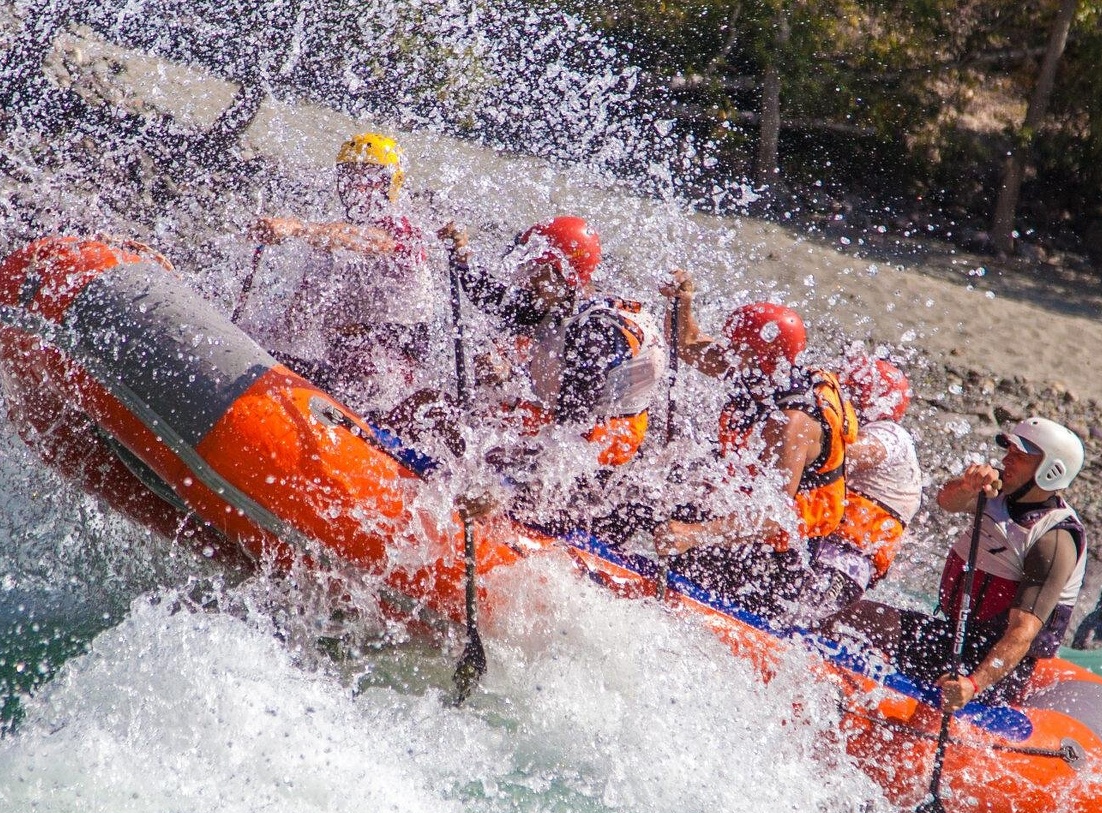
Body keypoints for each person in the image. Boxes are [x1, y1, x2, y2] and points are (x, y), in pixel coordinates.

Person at [652, 270, 857, 624]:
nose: (726, 352)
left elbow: (772, 517)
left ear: (763, 358)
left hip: (780, 559)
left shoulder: (792, 424)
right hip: (741, 525)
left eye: (736, 347)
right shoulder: (757, 370)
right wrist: (681, 305)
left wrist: (693, 535)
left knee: (684, 531)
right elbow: (688, 346)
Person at [437, 216, 666, 526]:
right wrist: (462, 258)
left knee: (504, 456)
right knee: (444, 411)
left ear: (565, 275)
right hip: (573, 428)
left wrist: (502, 490)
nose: (529, 280)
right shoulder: (559, 298)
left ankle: (514, 513)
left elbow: (568, 437)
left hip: (601, 452)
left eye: (537, 271)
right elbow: (496, 299)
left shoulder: (595, 337)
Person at [879, 417, 1087, 709]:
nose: (1006, 460)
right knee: (856, 618)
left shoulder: (1053, 540)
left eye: (1020, 456)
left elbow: (1021, 632)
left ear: (1051, 471)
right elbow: (947, 501)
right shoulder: (994, 490)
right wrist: (968, 486)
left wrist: (972, 685)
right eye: (1009, 451)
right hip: (952, 635)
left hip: (995, 666)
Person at [241, 132, 442, 421]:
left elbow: (371, 241)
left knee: (359, 356)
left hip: (388, 381)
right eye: (349, 174)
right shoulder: (328, 250)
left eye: (370, 175)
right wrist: (245, 341)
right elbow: (293, 326)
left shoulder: (401, 230)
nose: (358, 184)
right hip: (339, 373)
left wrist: (296, 229)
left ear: (391, 183)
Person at [799, 356, 923, 621]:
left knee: (801, 619)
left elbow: (852, 453)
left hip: (841, 568)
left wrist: (797, 435)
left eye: (846, 392)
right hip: (816, 553)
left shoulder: (892, 434)